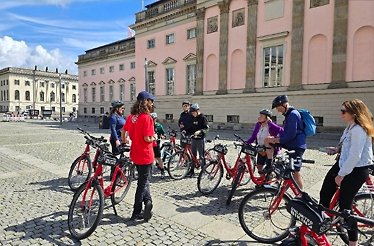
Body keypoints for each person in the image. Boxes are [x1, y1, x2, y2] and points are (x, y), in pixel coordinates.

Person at [319, 99, 373, 246]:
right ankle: (321, 223)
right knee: (325, 192)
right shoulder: (350, 127)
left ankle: (353, 243)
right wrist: (337, 150)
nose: (341, 114)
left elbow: (355, 155)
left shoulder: (359, 130)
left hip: (356, 169)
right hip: (343, 163)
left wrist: (341, 175)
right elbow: (348, 148)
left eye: (344, 111)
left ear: (354, 113)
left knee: (345, 208)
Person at [264, 95, 306, 189]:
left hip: (297, 146)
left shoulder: (293, 114)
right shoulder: (289, 114)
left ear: (284, 105)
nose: (278, 110)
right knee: (268, 140)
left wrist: (278, 140)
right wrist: (276, 138)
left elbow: (291, 134)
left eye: (278, 107)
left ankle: (300, 195)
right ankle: (269, 164)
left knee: (295, 172)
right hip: (291, 143)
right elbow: (286, 132)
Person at [129, 91, 155, 222]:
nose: (152, 103)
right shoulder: (147, 117)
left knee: (143, 181)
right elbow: (147, 138)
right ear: (146, 102)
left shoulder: (134, 116)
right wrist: (154, 137)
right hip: (145, 154)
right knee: (142, 184)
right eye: (151, 101)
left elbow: (130, 134)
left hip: (136, 153)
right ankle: (136, 212)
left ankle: (148, 201)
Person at [246, 109, 283, 173]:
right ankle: (262, 181)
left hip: (271, 149)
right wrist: (246, 143)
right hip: (261, 149)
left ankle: (270, 179)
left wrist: (270, 123)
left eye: (261, 116)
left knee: (269, 169)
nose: (259, 117)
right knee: (259, 166)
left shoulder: (271, 126)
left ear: (267, 118)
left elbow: (282, 131)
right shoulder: (258, 125)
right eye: (259, 115)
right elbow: (253, 136)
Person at [185, 103, 209, 177]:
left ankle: (203, 171)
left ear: (197, 110)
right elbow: (190, 127)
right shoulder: (192, 117)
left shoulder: (203, 118)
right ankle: (192, 170)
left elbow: (206, 128)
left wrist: (200, 131)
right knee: (193, 155)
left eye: (193, 112)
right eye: (191, 113)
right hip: (193, 139)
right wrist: (186, 131)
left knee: (201, 156)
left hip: (200, 139)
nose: (192, 114)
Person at [150, 112, 166, 179]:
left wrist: (162, 136)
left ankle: (162, 171)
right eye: (151, 119)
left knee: (158, 157)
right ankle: (149, 172)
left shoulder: (159, 126)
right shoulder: (148, 125)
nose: (153, 120)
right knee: (150, 158)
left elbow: (163, 134)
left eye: (154, 119)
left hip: (156, 143)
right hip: (150, 143)